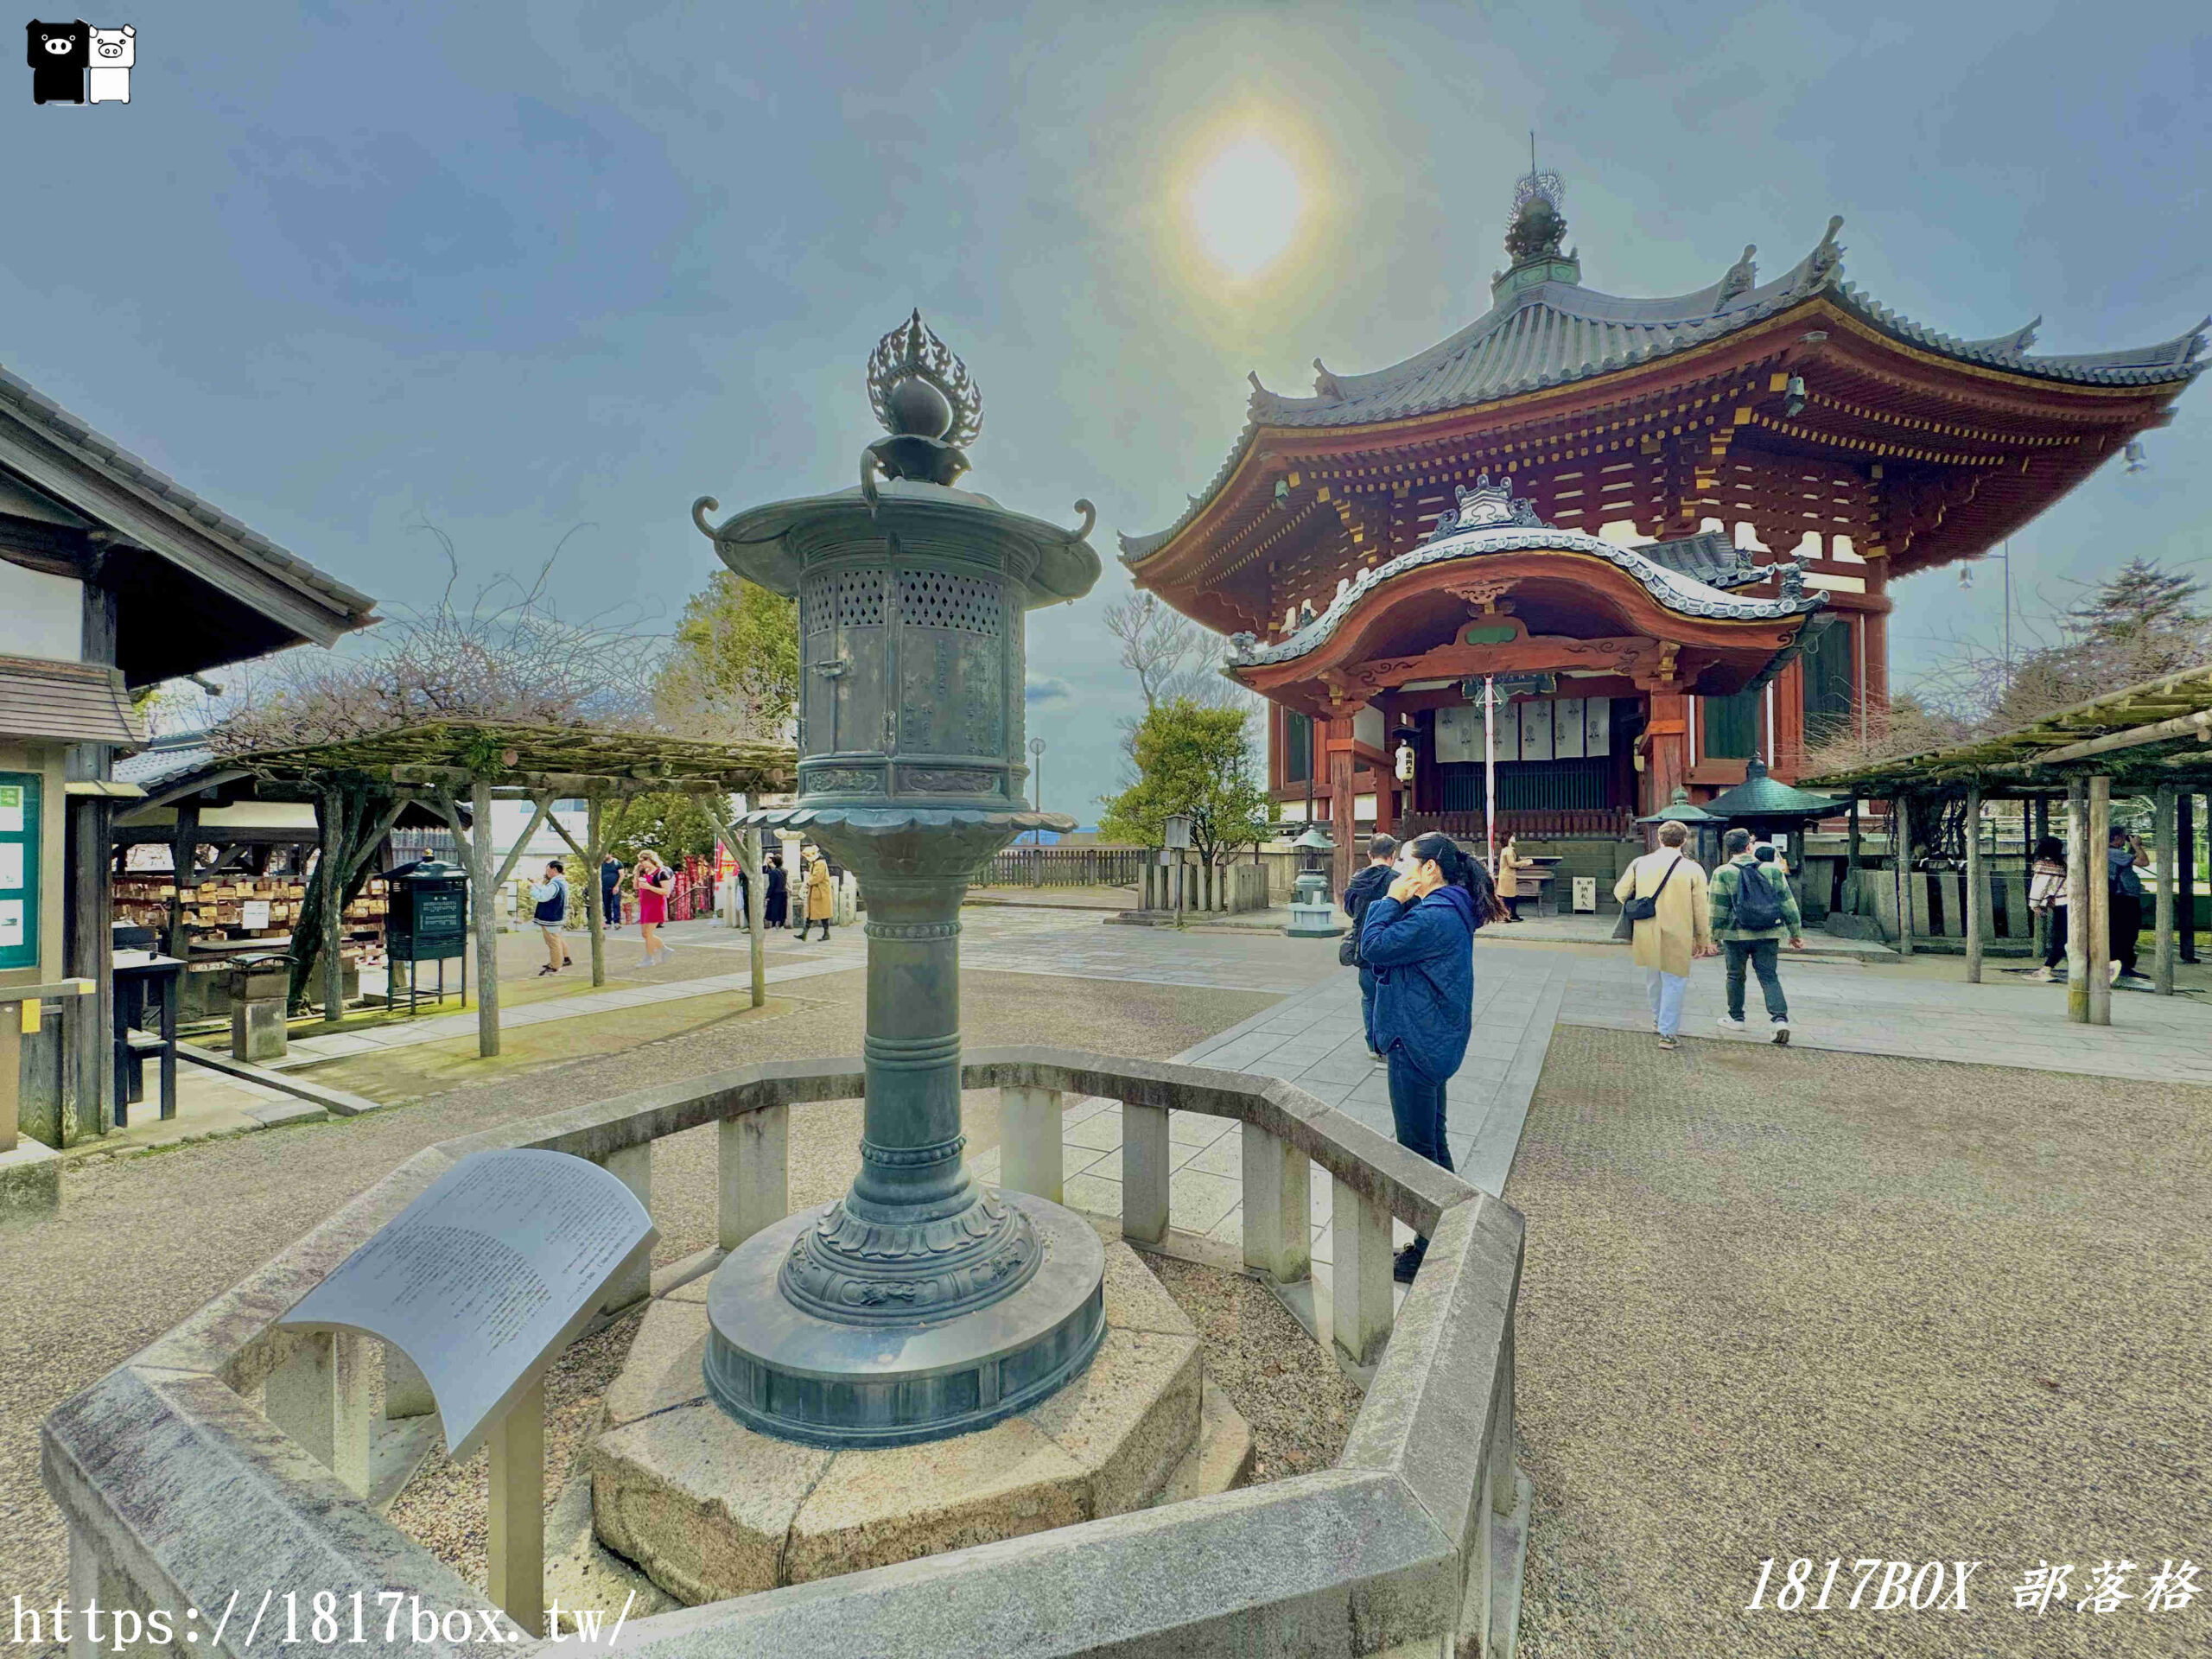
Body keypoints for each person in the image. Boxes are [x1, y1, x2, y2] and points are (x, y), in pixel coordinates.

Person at [1360, 831, 1507, 1281]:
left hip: (1417, 1037)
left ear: (1429, 869)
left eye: (1407, 862)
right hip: (1432, 1031)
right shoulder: (1451, 907)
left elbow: (1374, 947)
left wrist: (1389, 899)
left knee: (1418, 1147)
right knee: (1433, 1138)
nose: (1399, 870)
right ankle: (1449, 1225)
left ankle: (1429, 1247)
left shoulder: (1437, 914)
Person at [1614, 821, 1714, 1051]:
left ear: (1659, 839)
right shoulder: (1692, 869)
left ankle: (1658, 1020)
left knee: (1653, 978)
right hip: (1679, 929)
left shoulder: (1640, 863)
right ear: (1683, 840)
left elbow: (1620, 893)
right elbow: (1701, 908)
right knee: (1674, 981)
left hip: (1646, 926)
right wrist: (1703, 939)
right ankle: (1667, 1033)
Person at [1711, 826, 1804, 1043]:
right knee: (1769, 976)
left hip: (1735, 934)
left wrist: (1712, 938)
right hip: (1768, 932)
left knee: (1735, 975)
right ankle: (1779, 1020)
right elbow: (1787, 902)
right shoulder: (1772, 870)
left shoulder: (1723, 872)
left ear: (1730, 849)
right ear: (1749, 846)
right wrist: (1794, 932)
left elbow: (1717, 909)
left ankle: (1736, 1018)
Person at [1340, 833, 1397, 1068]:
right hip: (1390, 947)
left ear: (1369, 854)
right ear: (1392, 855)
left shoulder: (1357, 880)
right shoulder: (1397, 880)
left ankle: (1372, 1045)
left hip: (1363, 947)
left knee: (1369, 997)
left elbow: (1350, 910)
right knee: (1391, 998)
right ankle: (1387, 1045)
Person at [2108, 827, 2152, 984]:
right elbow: (2143, 862)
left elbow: (2127, 860)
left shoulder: (2115, 853)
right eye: (2122, 837)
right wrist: (2137, 846)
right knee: (2126, 933)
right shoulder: (2113, 853)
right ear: (2116, 838)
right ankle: (2121, 966)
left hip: (2124, 897)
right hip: (2123, 898)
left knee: (2126, 933)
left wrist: (2132, 848)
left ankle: (2124, 965)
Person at [2028, 836, 2069, 982]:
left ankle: (2047, 969)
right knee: (2064, 938)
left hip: (2062, 904)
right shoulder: (2062, 864)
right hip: (2070, 902)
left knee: (2060, 939)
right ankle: (2047, 968)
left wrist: (2035, 905)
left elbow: (2039, 887)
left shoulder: (2044, 865)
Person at [531, 860, 571, 976]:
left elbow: (543, 896)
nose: (546, 872)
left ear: (553, 869)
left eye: (547, 869)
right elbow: (546, 891)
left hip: (551, 917)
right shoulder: (561, 882)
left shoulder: (555, 884)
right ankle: (565, 958)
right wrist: (536, 884)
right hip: (557, 915)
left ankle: (556, 965)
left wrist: (532, 889)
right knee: (557, 938)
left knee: (553, 942)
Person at [634, 849, 674, 965]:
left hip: (655, 905)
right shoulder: (645, 872)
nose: (641, 863)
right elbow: (636, 886)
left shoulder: (661, 873)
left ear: (650, 859)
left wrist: (649, 887)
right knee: (645, 934)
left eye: (643, 860)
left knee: (649, 933)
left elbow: (665, 891)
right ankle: (665, 950)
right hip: (645, 905)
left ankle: (649, 958)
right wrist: (637, 873)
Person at [798, 848, 836, 942]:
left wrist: (807, 883)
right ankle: (805, 934)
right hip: (817, 892)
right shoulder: (816, 863)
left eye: (807, 856)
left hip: (820, 892)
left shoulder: (820, 864)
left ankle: (809, 934)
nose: (807, 858)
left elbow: (817, 877)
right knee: (814, 915)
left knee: (821, 914)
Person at [1495, 837, 1525, 922]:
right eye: (1512, 836)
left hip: (1506, 875)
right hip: (1508, 876)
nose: (1514, 838)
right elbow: (1511, 864)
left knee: (1510, 896)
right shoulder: (1509, 851)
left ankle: (1511, 914)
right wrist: (1525, 862)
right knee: (1509, 897)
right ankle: (1507, 915)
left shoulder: (1505, 850)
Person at [765, 854, 789, 929]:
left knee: (774, 909)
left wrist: (768, 895)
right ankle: (781, 924)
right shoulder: (785, 871)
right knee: (782, 909)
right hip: (783, 892)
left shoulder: (773, 872)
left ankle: (774, 924)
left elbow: (772, 885)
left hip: (776, 893)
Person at [600, 852, 624, 928]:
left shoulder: (617, 863)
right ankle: (608, 921)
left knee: (616, 904)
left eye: (605, 854)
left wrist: (617, 886)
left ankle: (617, 921)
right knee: (606, 904)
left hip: (615, 887)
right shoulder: (601, 864)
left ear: (610, 854)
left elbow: (622, 875)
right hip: (605, 887)